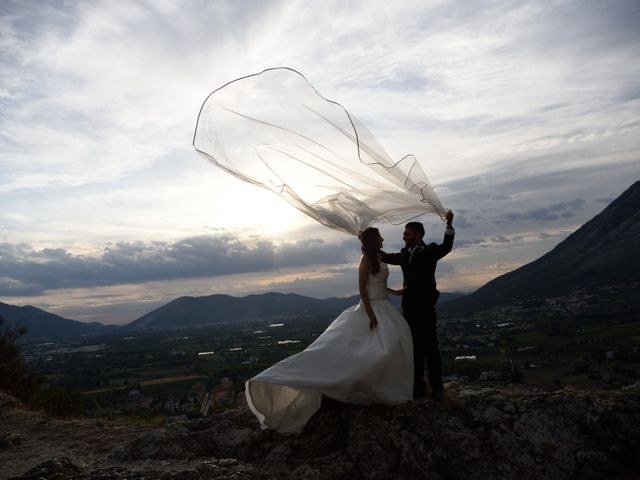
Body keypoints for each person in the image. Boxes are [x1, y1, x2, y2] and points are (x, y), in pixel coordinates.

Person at [245, 227, 413, 434]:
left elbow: (378, 283)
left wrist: (397, 292)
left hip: (384, 306)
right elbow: (362, 289)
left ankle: (383, 387)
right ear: (374, 240)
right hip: (373, 308)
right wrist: (370, 315)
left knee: (393, 344)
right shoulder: (365, 260)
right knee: (376, 350)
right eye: (380, 237)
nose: (383, 239)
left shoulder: (378, 256)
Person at [380, 211, 455, 400]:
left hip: (426, 306)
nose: (403, 237)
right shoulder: (405, 253)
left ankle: (437, 388)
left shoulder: (429, 251)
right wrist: (369, 245)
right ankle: (417, 387)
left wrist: (449, 225)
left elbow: (446, 246)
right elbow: (390, 257)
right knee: (414, 348)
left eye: (407, 234)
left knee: (431, 347)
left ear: (418, 235)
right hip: (409, 307)